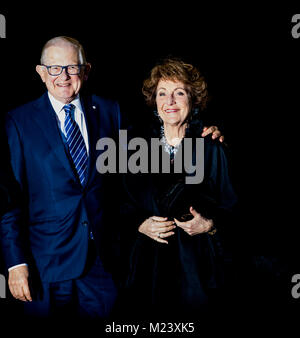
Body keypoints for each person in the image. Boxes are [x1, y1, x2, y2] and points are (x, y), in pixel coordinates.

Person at [0, 38, 223, 320]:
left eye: (72, 67)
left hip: (104, 265)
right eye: (54, 68)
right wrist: (15, 263)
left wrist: (206, 130)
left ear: (86, 70)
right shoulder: (18, 122)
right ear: (41, 72)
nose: (64, 76)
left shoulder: (110, 112)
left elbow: (157, 142)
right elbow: (10, 200)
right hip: (46, 265)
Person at [120, 57, 238, 319]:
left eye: (179, 93)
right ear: (154, 101)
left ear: (194, 100)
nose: (169, 101)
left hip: (196, 269)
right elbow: (118, 202)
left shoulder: (212, 147)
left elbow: (235, 208)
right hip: (147, 268)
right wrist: (139, 223)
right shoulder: (134, 147)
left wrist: (210, 225)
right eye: (162, 93)